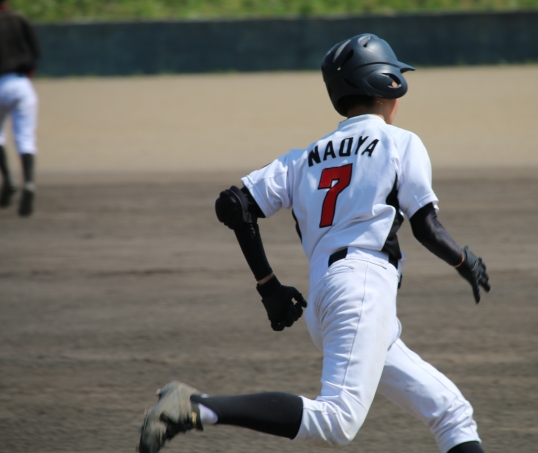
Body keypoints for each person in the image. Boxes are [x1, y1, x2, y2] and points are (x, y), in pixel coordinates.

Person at [139, 33, 491, 453]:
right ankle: (198, 407)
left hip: (328, 297)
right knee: (337, 421)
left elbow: (234, 205)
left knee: (450, 411)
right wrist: (464, 261)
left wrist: (268, 285)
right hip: (361, 289)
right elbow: (426, 227)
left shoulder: (304, 156)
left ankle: (196, 406)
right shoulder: (399, 142)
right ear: (387, 85)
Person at [0, 0, 40, 216]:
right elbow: (36, 51)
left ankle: (8, 178)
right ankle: (29, 183)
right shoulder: (19, 20)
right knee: (25, 137)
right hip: (20, 84)